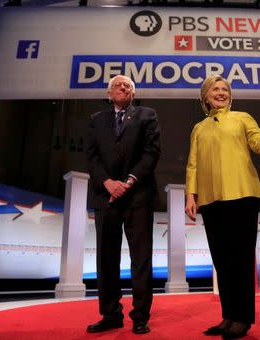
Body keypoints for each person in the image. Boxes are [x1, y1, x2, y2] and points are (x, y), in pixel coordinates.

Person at [185, 74, 260, 339]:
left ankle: (242, 319)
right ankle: (228, 317)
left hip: (242, 195)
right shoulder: (198, 128)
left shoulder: (242, 118)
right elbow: (193, 165)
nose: (221, 93)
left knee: (241, 260)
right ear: (205, 97)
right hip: (210, 200)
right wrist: (190, 195)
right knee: (222, 261)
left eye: (225, 89)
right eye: (215, 89)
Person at [85, 74, 161, 335]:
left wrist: (128, 181)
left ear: (133, 93)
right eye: (117, 84)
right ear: (109, 93)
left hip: (138, 196)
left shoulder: (147, 115)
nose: (123, 87)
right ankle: (110, 314)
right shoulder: (97, 120)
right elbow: (91, 156)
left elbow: (152, 152)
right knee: (106, 259)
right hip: (105, 197)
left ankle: (140, 316)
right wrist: (107, 182)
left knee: (141, 259)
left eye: (128, 85)